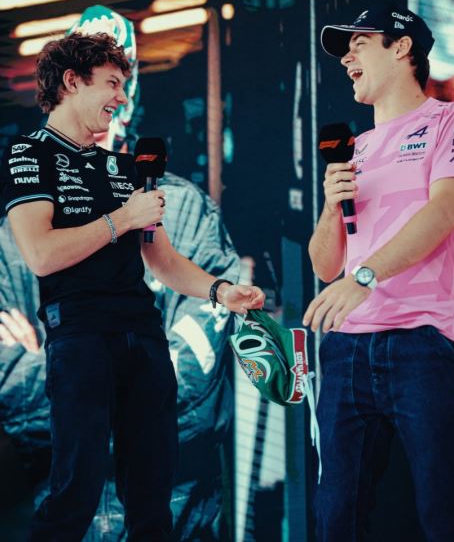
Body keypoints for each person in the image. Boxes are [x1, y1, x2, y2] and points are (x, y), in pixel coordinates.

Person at [0, 31, 264, 541]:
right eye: (113, 84)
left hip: (143, 340)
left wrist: (219, 291)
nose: (122, 98)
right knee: (73, 495)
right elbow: (41, 254)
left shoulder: (124, 169)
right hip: (82, 340)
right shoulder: (28, 155)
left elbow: (162, 260)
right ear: (72, 82)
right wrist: (122, 218)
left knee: (151, 501)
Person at [303, 5, 454, 541]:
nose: (346, 58)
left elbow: (446, 209)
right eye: (344, 50)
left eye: (359, 43)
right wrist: (331, 209)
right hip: (347, 349)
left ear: (402, 48)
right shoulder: (355, 148)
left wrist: (365, 276)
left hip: (426, 342)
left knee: (443, 512)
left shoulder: (449, 121)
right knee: (336, 518)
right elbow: (326, 266)